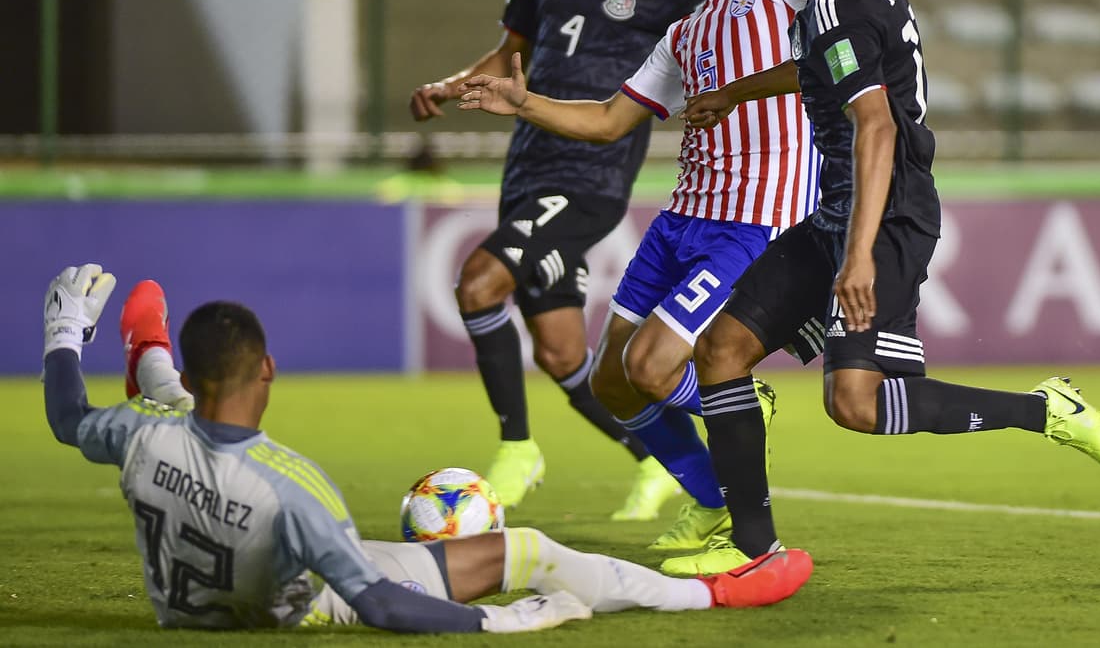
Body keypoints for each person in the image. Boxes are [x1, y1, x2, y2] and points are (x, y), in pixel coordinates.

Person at [661, 0, 1100, 577]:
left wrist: (859, 255)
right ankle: (753, 548)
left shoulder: (836, 4)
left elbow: (873, 125)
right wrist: (739, 93)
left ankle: (1046, 410)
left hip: (885, 215)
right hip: (840, 213)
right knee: (721, 350)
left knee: (857, 403)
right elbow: (821, 71)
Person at [41, 264, 813, 632]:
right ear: (267, 370)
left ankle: (147, 343)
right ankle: (716, 592)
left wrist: (61, 330)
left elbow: (71, 418)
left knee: (171, 416)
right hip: (303, 605)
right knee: (530, 547)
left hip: (186, 606)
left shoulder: (143, 434)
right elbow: (376, 601)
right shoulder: (292, 486)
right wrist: (506, 623)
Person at [458, 0, 818, 553]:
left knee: (655, 367)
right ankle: (711, 501)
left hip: (750, 222)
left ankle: (741, 410)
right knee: (613, 383)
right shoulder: (688, 30)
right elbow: (606, 118)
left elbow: (836, 54)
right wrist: (521, 100)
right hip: (680, 220)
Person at [409, 0, 707, 515]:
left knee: (480, 284)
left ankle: (517, 445)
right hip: (528, 171)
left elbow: (711, 54)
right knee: (562, 351)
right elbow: (510, 49)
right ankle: (663, 459)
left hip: (592, 178)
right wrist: (455, 85)